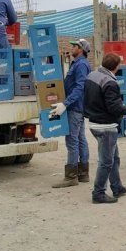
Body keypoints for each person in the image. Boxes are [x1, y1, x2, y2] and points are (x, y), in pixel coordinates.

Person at [84, 53, 126, 204]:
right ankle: (98, 193)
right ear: (116, 67)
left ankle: (117, 186)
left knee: (114, 157)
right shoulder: (110, 83)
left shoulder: (92, 76)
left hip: (94, 122)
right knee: (106, 162)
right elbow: (114, 107)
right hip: (106, 126)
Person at [51, 39, 92, 188]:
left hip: (75, 107)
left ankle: (71, 177)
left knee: (72, 140)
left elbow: (80, 87)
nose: (72, 47)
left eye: (74, 46)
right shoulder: (79, 63)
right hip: (77, 107)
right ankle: (83, 174)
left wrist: (65, 103)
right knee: (80, 139)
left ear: (81, 49)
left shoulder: (81, 65)